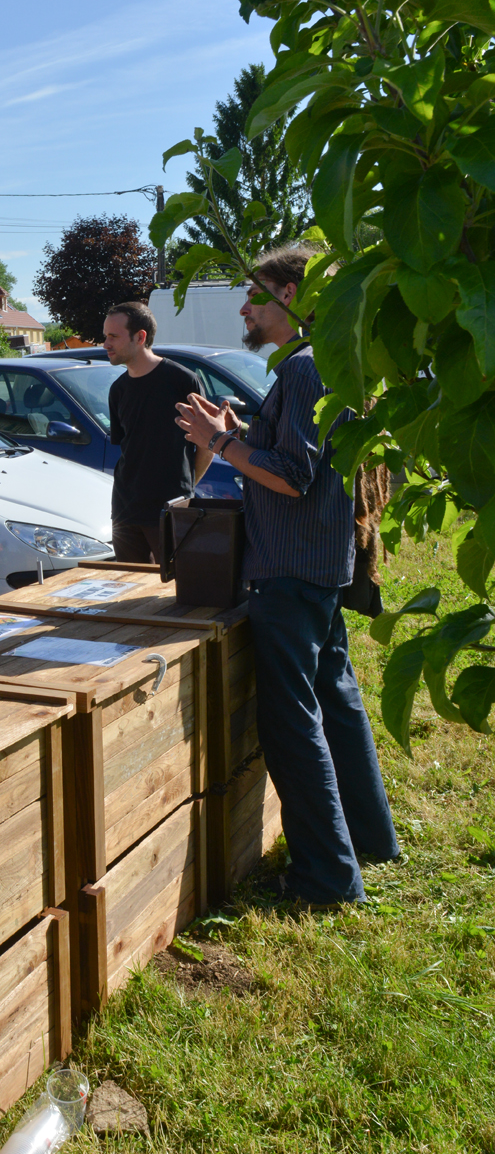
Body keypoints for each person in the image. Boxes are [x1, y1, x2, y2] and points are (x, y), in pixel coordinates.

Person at [175, 245, 400, 907]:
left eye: (255, 294)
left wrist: (217, 443)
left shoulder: (302, 368)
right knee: (337, 701)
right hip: (321, 566)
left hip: (291, 573)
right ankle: (368, 839)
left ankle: (326, 880)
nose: (244, 306)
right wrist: (239, 435)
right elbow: (297, 458)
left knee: (292, 722)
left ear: (294, 297)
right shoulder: (329, 361)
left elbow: (292, 477)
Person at [102, 301, 211, 564]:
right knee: (130, 587)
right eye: (105, 336)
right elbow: (128, 449)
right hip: (126, 511)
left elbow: (207, 445)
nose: (105, 343)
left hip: (171, 509)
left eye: (113, 336)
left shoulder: (182, 380)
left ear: (140, 337)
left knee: (175, 589)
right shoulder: (118, 389)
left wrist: (186, 490)